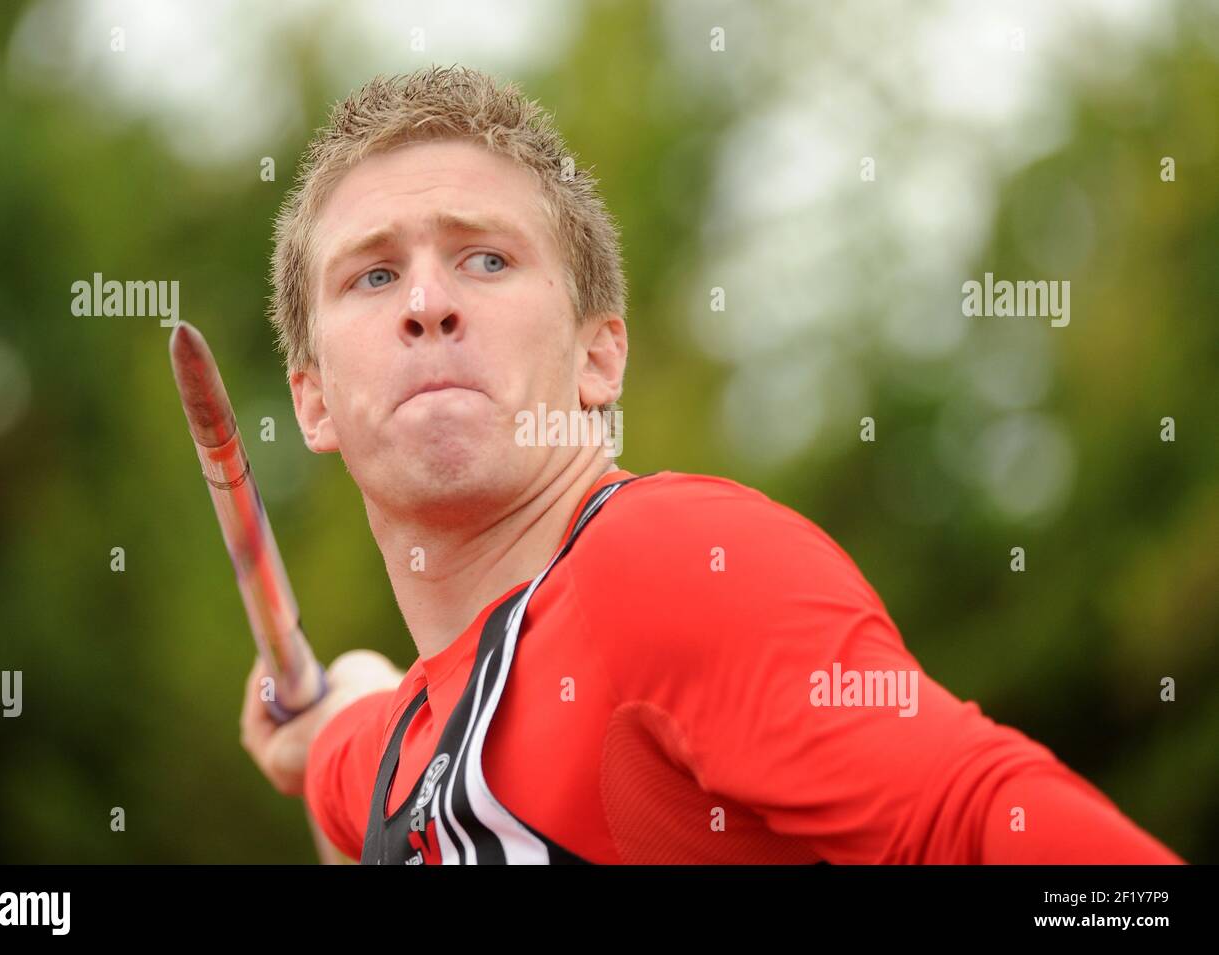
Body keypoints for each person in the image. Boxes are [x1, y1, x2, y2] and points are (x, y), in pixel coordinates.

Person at [239, 65, 1183, 865]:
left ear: (599, 357)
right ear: (313, 400)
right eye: (373, 274)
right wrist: (326, 724)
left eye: (485, 259)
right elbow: (348, 739)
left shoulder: (665, 560)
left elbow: (979, 825)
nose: (429, 301)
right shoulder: (395, 750)